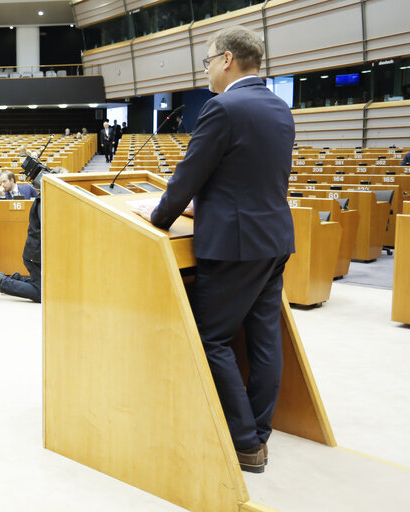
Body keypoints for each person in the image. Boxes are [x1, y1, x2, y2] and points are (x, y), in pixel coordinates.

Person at [132, 26, 295, 474]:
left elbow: (188, 177)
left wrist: (158, 217)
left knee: (211, 338)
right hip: (274, 241)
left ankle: (243, 443)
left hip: (234, 247)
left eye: (206, 60)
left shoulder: (223, 109)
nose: (204, 69)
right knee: (264, 342)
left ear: (226, 59)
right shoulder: (281, 109)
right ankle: (259, 433)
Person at [0, 167, 68, 302]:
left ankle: (17, 279)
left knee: (46, 284)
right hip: (35, 255)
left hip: (38, 253)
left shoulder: (52, 199)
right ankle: (3, 282)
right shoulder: (44, 201)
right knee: (41, 293)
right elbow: (50, 228)